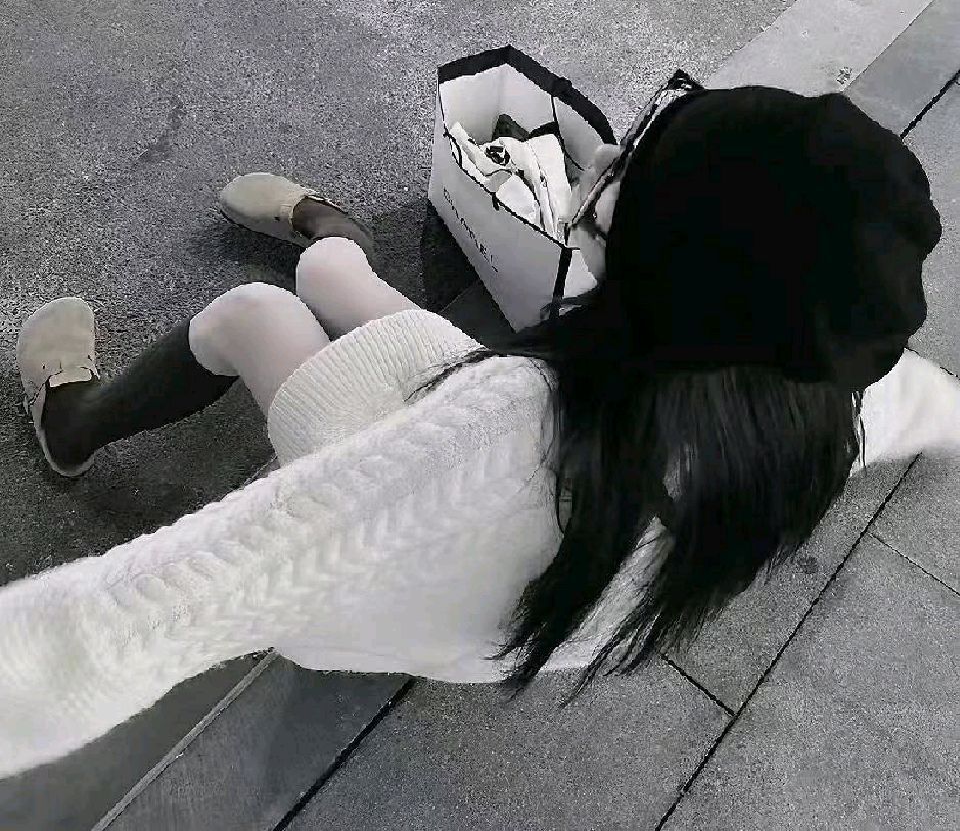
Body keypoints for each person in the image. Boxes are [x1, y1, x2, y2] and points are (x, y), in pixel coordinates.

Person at [3, 80, 952, 778]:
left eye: (633, 163)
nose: (604, 161)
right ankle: (331, 243)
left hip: (403, 553)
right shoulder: (817, 408)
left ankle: (72, 422)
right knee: (330, 281)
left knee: (255, 313)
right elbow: (923, 401)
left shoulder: (496, 432)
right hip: (510, 597)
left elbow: (143, 614)